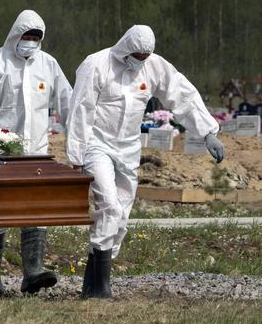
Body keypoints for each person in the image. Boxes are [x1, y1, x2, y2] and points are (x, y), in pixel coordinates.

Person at [66, 24, 225, 298]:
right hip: (97, 145)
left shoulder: (154, 66)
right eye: (136, 55)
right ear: (126, 47)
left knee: (122, 217)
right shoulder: (96, 65)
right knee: (110, 206)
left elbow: (181, 93)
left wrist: (208, 130)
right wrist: (77, 156)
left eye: (144, 57)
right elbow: (81, 109)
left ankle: (92, 281)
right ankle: (101, 287)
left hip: (128, 148)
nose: (139, 61)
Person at [0, 9, 73, 294]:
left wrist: (78, 140)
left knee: (36, 208)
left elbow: (67, 102)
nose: (30, 41)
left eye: (35, 37)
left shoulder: (48, 65)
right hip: (1, 154)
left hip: (36, 154)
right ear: (15, 34)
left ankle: (33, 270)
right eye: (26, 36)